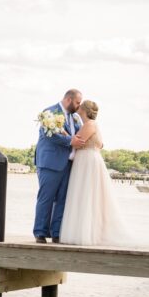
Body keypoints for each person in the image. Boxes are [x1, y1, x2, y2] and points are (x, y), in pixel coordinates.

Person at [58, 100, 130, 246]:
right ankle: (84, 232)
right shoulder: (88, 124)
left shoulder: (89, 125)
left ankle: (86, 234)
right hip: (86, 160)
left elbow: (77, 142)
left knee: (86, 195)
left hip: (87, 161)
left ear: (84, 110)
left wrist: (61, 131)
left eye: (80, 105)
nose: (78, 107)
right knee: (84, 194)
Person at [33, 89, 86, 243]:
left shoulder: (74, 118)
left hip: (68, 164)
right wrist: (71, 141)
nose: (79, 106)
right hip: (50, 163)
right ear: (69, 99)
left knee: (62, 199)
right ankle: (40, 232)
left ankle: (56, 233)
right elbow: (49, 135)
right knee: (46, 198)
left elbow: (80, 135)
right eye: (77, 103)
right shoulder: (49, 112)